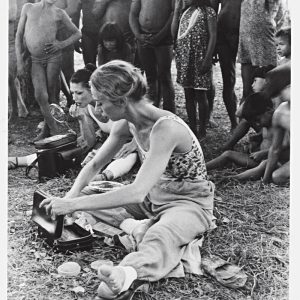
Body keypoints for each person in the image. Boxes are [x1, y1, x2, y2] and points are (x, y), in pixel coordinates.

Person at [40, 60, 215, 299]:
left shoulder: (165, 128)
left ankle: (127, 273)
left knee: (160, 236)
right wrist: (70, 198)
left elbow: (135, 192)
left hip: (187, 202)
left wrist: (72, 206)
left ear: (122, 102)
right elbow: (94, 165)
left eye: (100, 102)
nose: (98, 110)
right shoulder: (126, 123)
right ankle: (134, 226)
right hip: (154, 197)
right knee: (87, 195)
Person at [9, 64, 138, 182]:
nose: (74, 98)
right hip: (107, 142)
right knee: (70, 148)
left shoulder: (113, 104)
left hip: (129, 143)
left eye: (79, 93)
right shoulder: (86, 107)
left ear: (93, 89)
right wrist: (81, 119)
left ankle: (103, 177)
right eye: (73, 93)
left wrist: (134, 144)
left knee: (128, 155)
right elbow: (90, 141)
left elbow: (142, 126)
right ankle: (20, 160)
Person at [15, 0, 81, 141]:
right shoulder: (28, 8)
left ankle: (49, 131)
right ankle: (54, 130)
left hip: (53, 58)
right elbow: (19, 35)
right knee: (40, 95)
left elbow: (77, 33)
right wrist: (20, 62)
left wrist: (61, 44)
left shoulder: (59, 13)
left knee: (52, 96)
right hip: (35, 60)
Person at [206, 92, 289, 182]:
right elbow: (239, 113)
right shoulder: (266, 123)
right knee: (228, 154)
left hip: (274, 162)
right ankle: (202, 167)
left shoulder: (279, 124)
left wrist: (263, 153)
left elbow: (284, 146)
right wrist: (257, 138)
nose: (257, 124)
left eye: (258, 120)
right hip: (257, 159)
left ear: (269, 111)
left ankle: (233, 179)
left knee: (264, 164)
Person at [172, 0, 217, 138]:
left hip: (200, 57)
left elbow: (213, 35)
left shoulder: (208, 12)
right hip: (185, 58)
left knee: (200, 94)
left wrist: (208, 58)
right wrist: (177, 11)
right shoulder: (184, 12)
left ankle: (202, 128)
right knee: (188, 94)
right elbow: (173, 33)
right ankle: (192, 127)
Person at [129, 0, 176, 112]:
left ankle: (169, 112)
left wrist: (160, 36)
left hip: (164, 39)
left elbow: (174, 14)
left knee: (164, 76)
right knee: (150, 77)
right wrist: (138, 35)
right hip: (143, 38)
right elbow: (132, 14)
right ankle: (153, 111)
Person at [238, 0, 285, 101]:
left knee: (268, 87)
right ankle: (248, 108)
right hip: (250, 34)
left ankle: (261, 109)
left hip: (265, 35)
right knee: (248, 89)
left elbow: (279, 18)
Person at [222, 66, 274, 151]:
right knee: (245, 121)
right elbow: (238, 113)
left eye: (255, 81)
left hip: (273, 134)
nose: (252, 85)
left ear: (267, 80)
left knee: (246, 122)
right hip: (264, 131)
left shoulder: (276, 98)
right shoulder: (259, 97)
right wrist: (253, 95)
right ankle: (228, 146)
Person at [210, 0, 242, 131]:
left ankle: (245, 121)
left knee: (251, 82)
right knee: (228, 80)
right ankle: (234, 123)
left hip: (245, 33)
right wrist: (212, 43)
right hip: (224, 35)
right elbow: (211, 11)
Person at [263, 97, 290, 185]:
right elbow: (275, 149)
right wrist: (265, 181)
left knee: (277, 176)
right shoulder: (280, 111)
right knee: (277, 176)